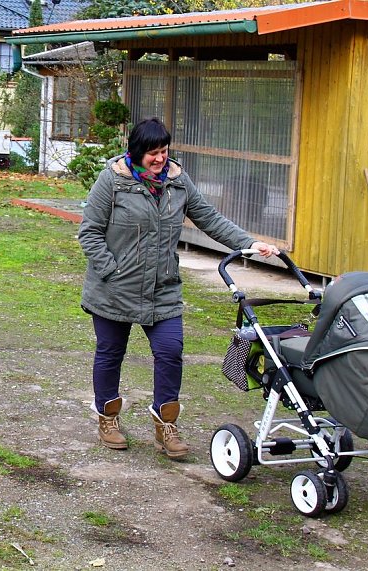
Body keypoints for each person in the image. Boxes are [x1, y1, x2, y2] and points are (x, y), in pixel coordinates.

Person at [78, 117, 278, 459]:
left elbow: (210, 218)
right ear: (136, 152)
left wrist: (249, 243)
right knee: (111, 354)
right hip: (114, 288)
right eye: (152, 153)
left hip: (162, 289)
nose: (160, 159)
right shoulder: (113, 181)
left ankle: (165, 424)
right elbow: (90, 233)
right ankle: (108, 418)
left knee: (170, 353)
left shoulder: (177, 181)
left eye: (164, 151)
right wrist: (113, 270)